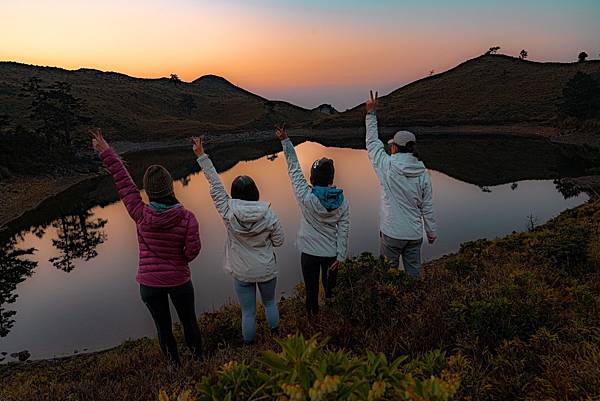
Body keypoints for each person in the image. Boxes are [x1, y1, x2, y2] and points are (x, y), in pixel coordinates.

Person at [90, 128, 202, 367]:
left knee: (163, 329)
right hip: (180, 281)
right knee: (189, 322)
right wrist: (179, 259)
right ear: (170, 187)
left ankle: (174, 367)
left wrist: (107, 152)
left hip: (150, 285)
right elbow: (192, 252)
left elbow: (125, 184)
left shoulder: (140, 214)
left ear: (149, 192)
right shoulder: (187, 218)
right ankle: (199, 361)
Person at [192, 136, 284, 344]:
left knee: (248, 313)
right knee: (270, 303)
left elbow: (216, 186)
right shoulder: (269, 214)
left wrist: (201, 156)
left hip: (242, 272)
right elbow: (279, 241)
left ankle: (249, 346)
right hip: (266, 269)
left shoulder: (227, 211)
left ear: (233, 194)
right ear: (256, 192)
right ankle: (276, 337)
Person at [276, 125, 350, 316]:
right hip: (331, 254)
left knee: (311, 292)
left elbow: (294, 169)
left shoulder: (305, 196)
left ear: (312, 177)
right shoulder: (342, 200)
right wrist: (341, 256)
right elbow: (344, 229)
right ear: (331, 177)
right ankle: (333, 320)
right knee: (332, 292)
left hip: (309, 253)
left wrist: (285, 141)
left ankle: (313, 324)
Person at [364, 91, 437, 277]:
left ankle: (392, 302)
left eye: (392, 145)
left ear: (395, 147)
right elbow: (426, 205)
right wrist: (431, 231)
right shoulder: (422, 172)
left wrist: (371, 114)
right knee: (414, 274)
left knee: (389, 276)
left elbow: (372, 144)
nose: (390, 147)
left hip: (392, 233)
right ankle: (414, 302)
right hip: (414, 235)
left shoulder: (387, 166)